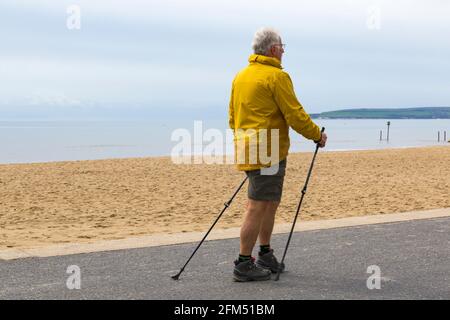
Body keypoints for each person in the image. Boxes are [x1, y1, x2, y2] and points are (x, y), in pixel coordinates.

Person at [229, 27, 327, 282]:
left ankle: (265, 253)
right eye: (282, 47)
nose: (284, 51)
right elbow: (294, 114)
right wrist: (317, 135)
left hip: (250, 147)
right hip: (267, 148)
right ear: (273, 49)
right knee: (257, 205)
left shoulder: (241, 76)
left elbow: (232, 117)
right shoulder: (276, 77)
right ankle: (243, 262)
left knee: (268, 202)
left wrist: (245, 141)